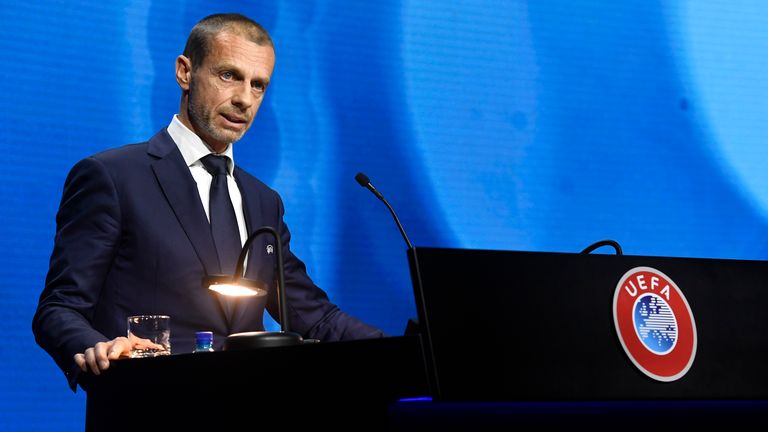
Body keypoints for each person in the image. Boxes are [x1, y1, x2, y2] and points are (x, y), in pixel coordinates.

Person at [32, 13, 384, 391]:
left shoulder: (264, 202)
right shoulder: (113, 177)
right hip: (147, 407)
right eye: (229, 75)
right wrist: (97, 348)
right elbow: (59, 309)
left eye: (259, 85)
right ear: (185, 72)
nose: (244, 99)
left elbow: (315, 318)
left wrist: (409, 349)